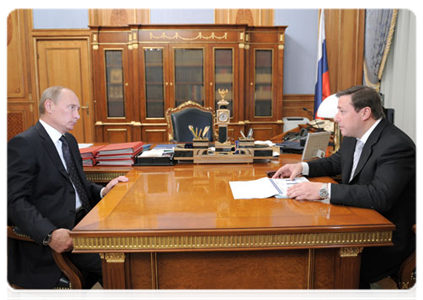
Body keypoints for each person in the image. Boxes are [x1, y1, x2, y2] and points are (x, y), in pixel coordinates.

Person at [272, 85, 419, 300]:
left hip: (389, 236)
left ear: (365, 113)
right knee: (319, 254)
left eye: (342, 111)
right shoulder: (354, 134)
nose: (336, 118)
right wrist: (302, 168)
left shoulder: (396, 146)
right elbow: (337, 161)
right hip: (360, 220)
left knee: (334, 264)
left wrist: (322, 190)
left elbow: (380, 196)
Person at [5, 86, 129, 291]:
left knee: (133, 251)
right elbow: (15, 203)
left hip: (84, 225)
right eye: (71, 108)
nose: (78, 115)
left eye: (78, 109)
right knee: (120, 265)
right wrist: (49, 234)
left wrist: (103, 191)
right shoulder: (24, 144)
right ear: (49, 106)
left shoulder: (68, 141)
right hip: (55, 240)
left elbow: (76, 185)